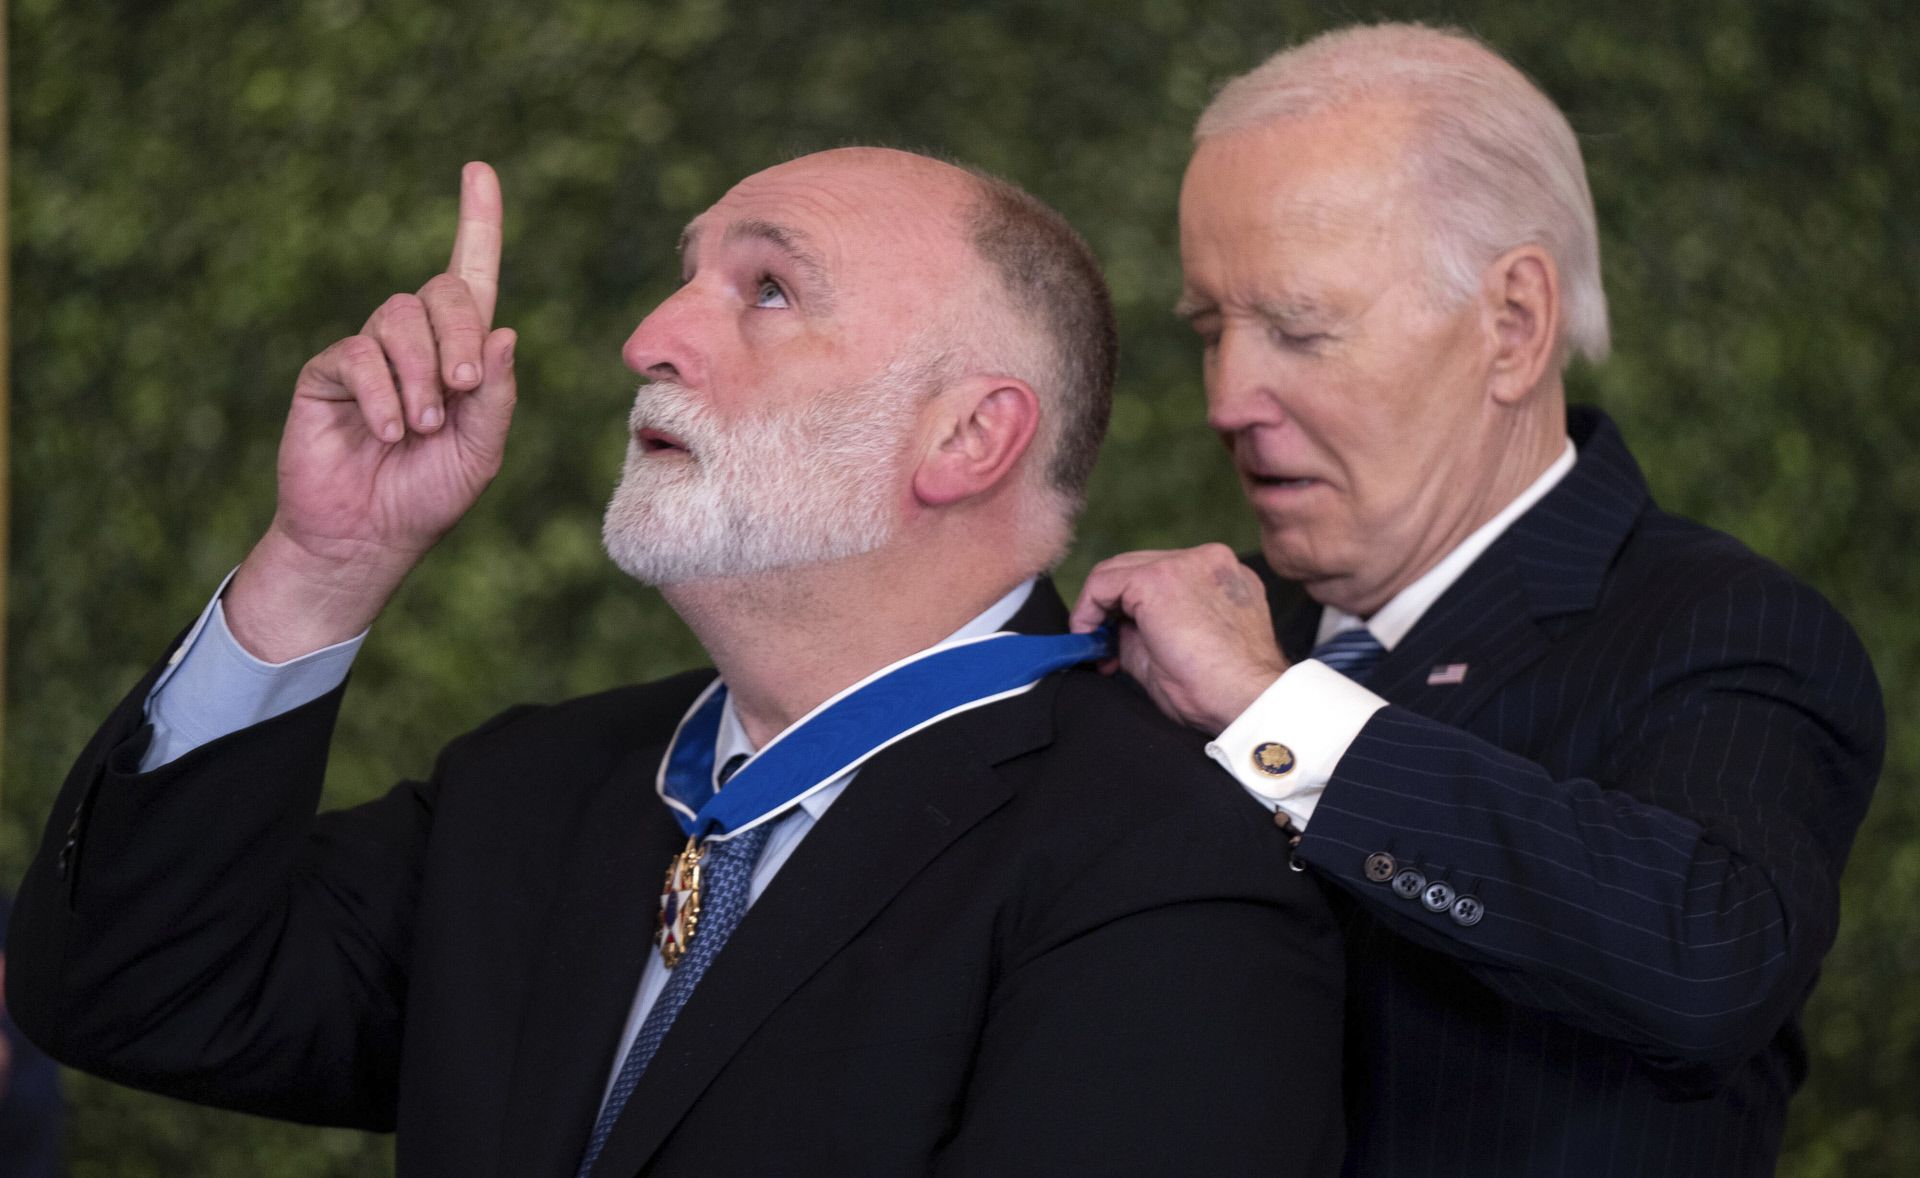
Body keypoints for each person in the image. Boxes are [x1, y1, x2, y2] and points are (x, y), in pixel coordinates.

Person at [6, 148, 1344, 1177]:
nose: (651, 334)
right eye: (686, 273)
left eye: (766, 287)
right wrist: (324, 561)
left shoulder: (1167, 867)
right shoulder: (527, 791)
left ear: (967, 440)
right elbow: (132, 992)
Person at [1071, 23, 1883, 1178]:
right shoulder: (1222, 659)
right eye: (1212, 329)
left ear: (1512, 323)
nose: (1228, 396)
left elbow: (1708, 957)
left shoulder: (1725, 630)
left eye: (1300, 328)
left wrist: (1275, 713)